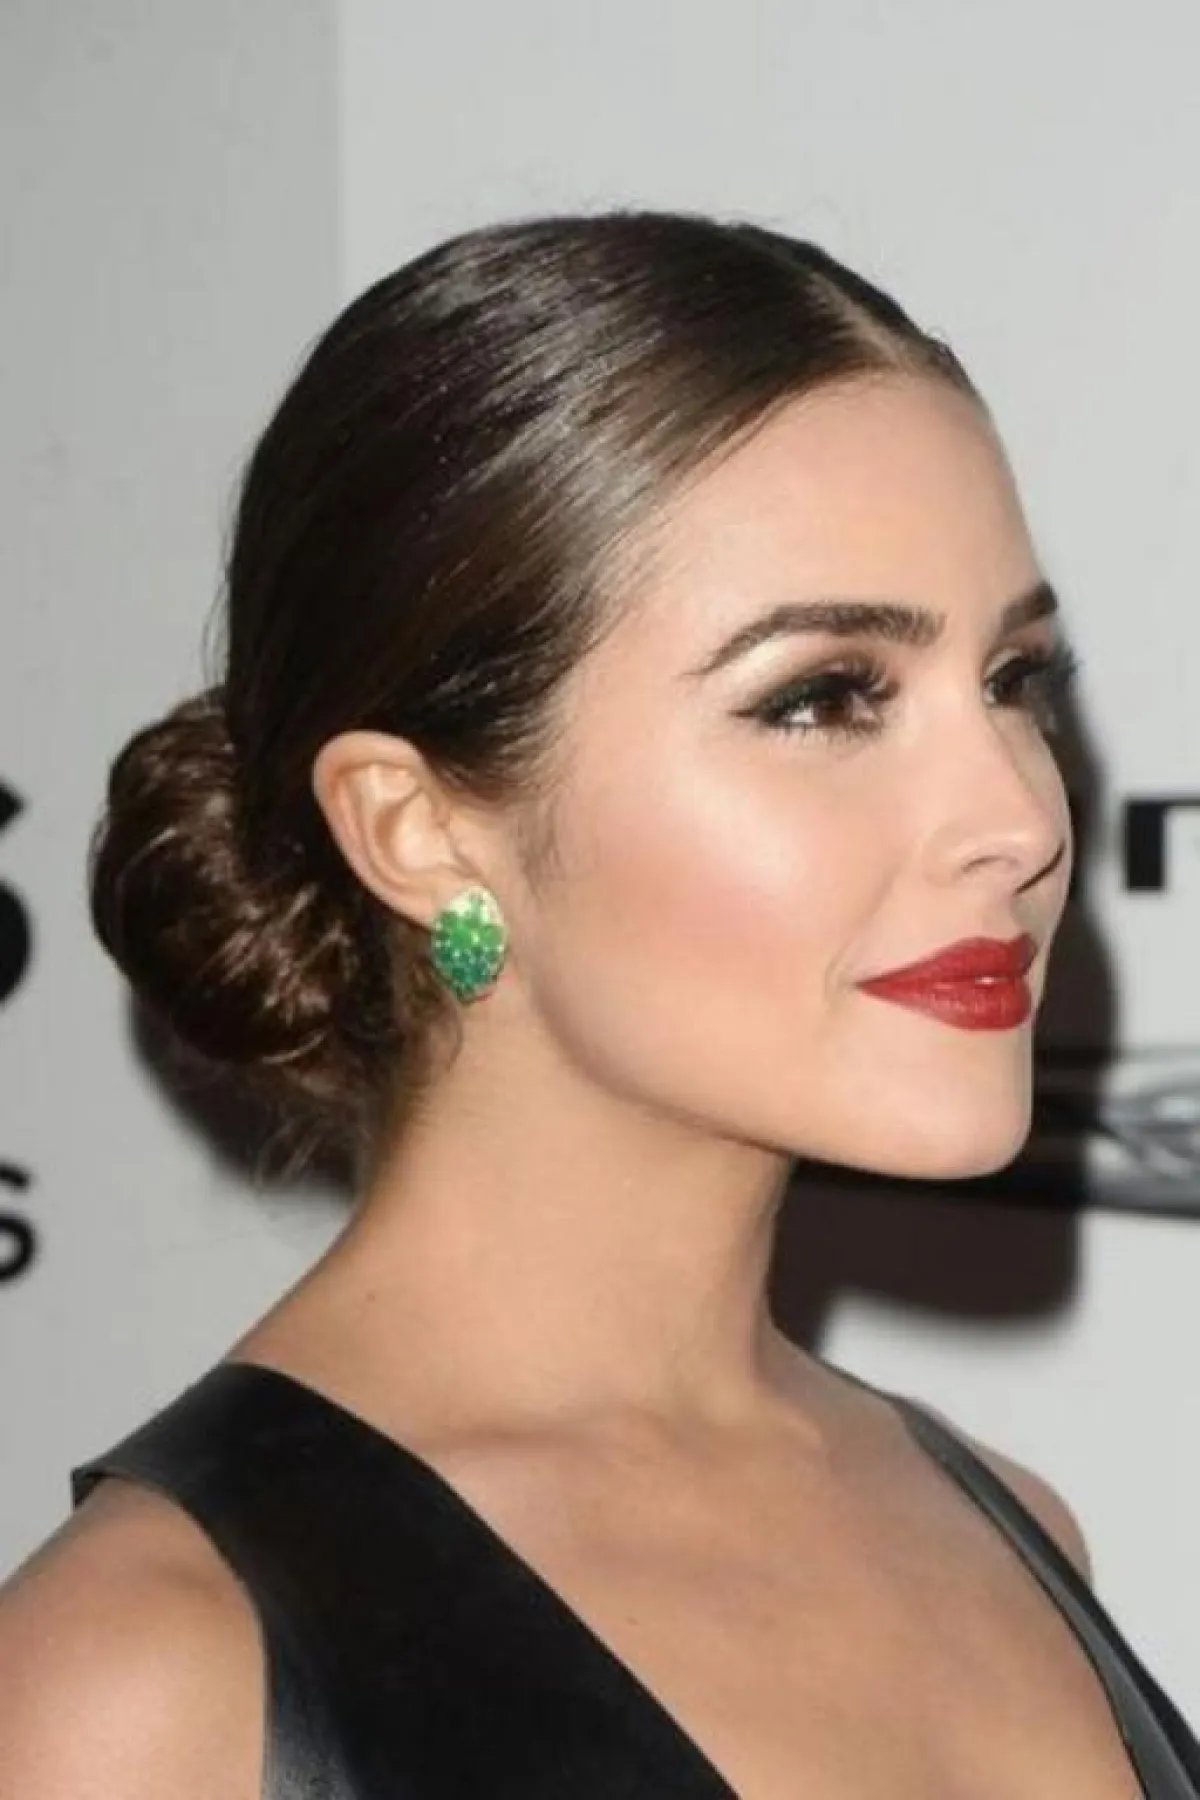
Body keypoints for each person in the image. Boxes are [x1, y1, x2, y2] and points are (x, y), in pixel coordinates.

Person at [0, 209, 1194, 1799]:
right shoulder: (149, 1685)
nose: (1022, 818)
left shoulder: (1008, 1527)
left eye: (1011, 680)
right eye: (825, 697)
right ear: (421, 832)